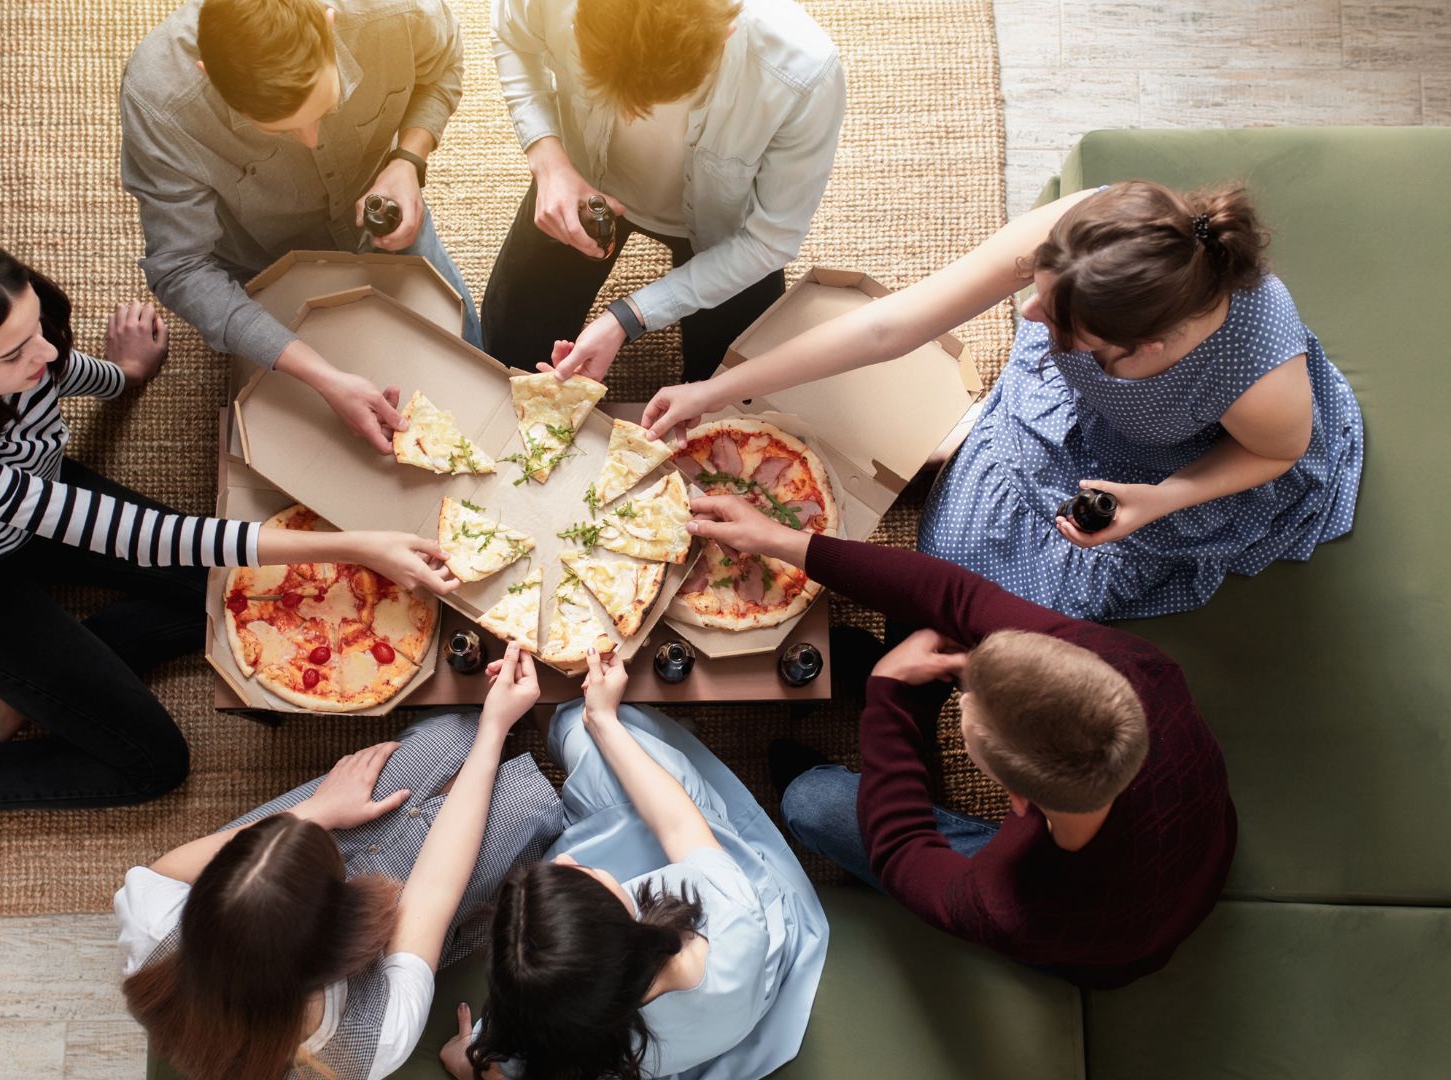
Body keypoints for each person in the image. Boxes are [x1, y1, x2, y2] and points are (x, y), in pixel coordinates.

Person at [0, 230, 456, 878]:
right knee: (151, 762)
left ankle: (13, 694)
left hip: (36, 504)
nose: (47, 353)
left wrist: (126, 374)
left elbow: (53, 374)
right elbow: (139, 534)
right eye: (15, 351)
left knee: (241, 598)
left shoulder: (22, 353)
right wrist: (354, 546)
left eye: (40, 328)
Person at [644, 181, 1364, 621]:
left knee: (1002, 609)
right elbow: (893, 325)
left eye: (1054, 321)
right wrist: (718, 388)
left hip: (1182, 468)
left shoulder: (1257, 372)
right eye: (1040, 292)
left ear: (1143, 352)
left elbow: (1277, 452)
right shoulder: (1097, 234)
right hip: (1084, 415)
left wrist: (1159, 500)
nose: (1025, 318)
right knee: (946, 548)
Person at [690, 494, 1237, 988]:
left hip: (1110, 939)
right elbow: (955, 592)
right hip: (1195, 834)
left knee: (810, 803)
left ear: (1016, 800)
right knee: (934, 606)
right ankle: (905, 709)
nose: (958, 671)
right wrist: (778, 539)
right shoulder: (1137, 668)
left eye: (960, 691)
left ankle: (900, 728)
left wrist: (888, 695)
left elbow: (901, 852)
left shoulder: (1012, 901)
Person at [119, 645, 563, 1080]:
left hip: (307, 917)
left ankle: (452, 741)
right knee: (522, 803)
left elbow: (163, 873)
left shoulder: (153, 933)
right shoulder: (371, 1041)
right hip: (399, 935)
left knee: (446, 737)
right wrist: (492, 730)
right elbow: (432, 893)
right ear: (347, 931)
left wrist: (317, 812)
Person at [442, 651, 828, 1080]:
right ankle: (575, 722)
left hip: (678, 1025)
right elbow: (681, 826)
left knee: (600, 767)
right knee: (592, 739)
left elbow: (471, 1063)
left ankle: (567, 724)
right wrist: (601, 719)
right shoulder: (732, 929)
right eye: (577, 876)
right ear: (630, 925)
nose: (565, 858)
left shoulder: (544, 1031)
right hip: (737, 983)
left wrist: (469, 1060)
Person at [120, 0, 483, 455]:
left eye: (324, 106)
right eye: (277, 129)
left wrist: (407, 160)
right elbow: (181, 266)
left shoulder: (399, 11)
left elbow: (444, 66)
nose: (310, 139)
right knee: (298, 453)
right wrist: (322, 376)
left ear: (329, 27)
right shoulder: (160, 103)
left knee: (475, 373)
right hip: (260, 260)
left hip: (384, 217)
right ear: (208, 75)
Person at [484, 0, 845, 384]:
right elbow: (511, 36)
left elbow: (769, 240)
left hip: (727, 229)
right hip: (582, 174)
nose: (625, 117)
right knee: (502, 361)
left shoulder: (804, 73)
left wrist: (632, 315)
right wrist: (549, 160)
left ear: (726, 31)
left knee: (736, 399)